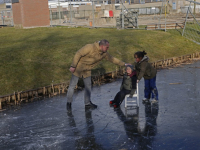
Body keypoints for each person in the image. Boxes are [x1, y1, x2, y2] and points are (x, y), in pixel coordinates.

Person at [67, 39, 130, 110]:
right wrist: (73, 66)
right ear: (102, 46)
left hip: (87, 69)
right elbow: (78, 53)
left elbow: (112, 59)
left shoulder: (104, 53)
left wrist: (124, 64)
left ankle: (87, 104)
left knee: (88, 86)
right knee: (72, 85)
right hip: (78, 67)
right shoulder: (90, 47)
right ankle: (69, 103)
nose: (108, 49)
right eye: (107, 47)